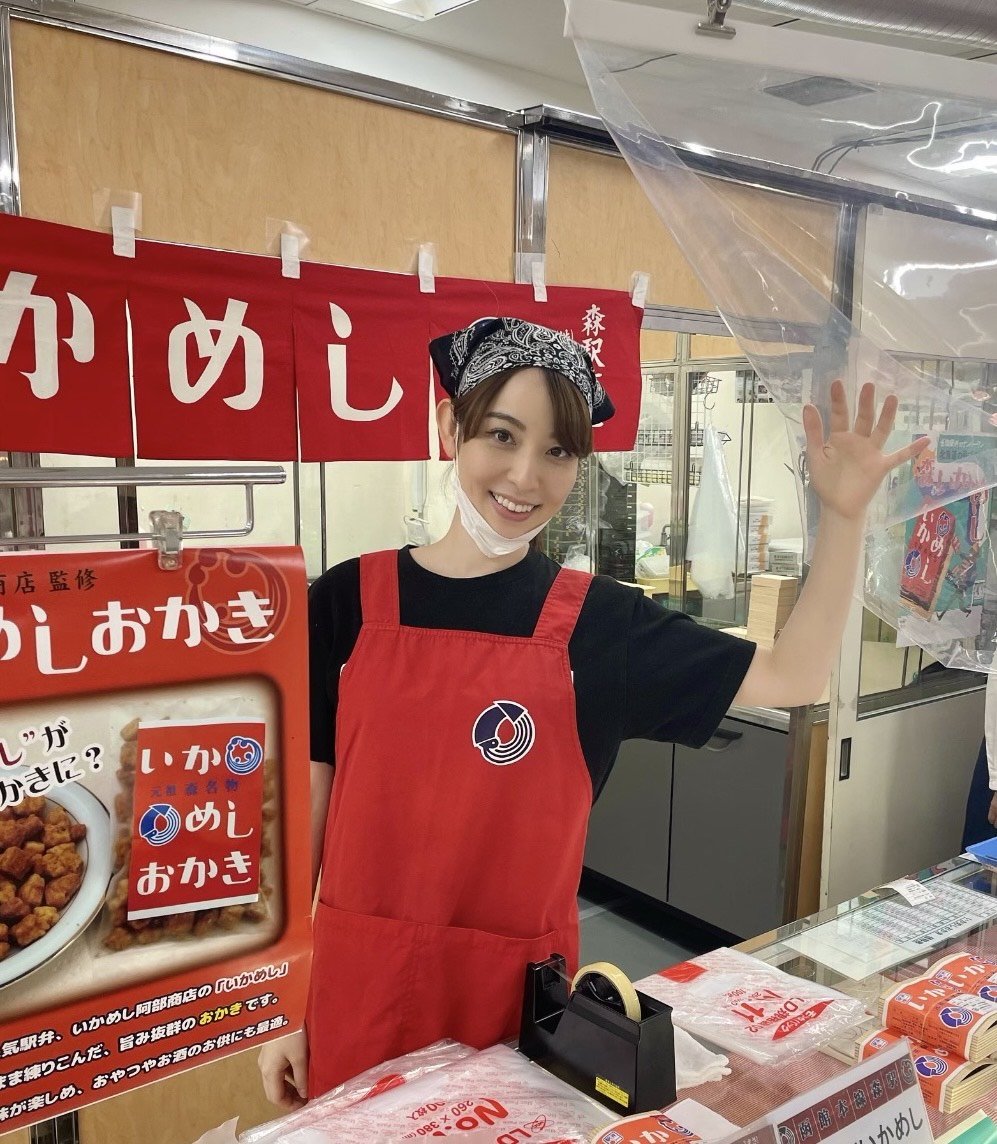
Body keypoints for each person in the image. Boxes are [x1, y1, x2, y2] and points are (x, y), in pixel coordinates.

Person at [259, 316, 926, 1110]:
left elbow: (793, 675)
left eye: (557, 451)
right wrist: (280, 1007)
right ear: (449, 428)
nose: (524, 476)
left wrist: (844, 519)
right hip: (352, 988)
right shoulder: (345, 601)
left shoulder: (600, 626)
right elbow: (302, 820)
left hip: (511, 1008)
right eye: (501, 436)